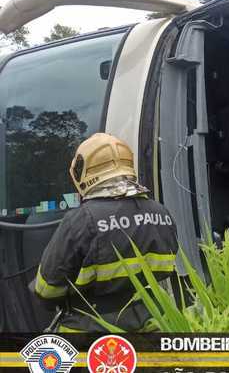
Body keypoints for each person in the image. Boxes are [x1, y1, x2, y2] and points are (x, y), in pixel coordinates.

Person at [31, 133, 178, 332]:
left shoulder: (80, 221)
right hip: (153, 322)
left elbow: (46, 290)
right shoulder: (162, 212)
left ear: (83, 172)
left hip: (91, 332)